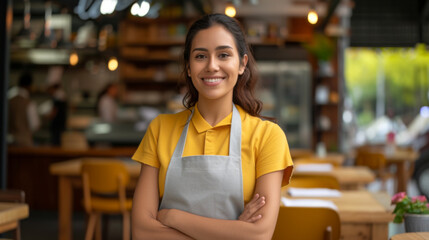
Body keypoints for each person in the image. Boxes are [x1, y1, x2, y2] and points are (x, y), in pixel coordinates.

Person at [131, 14, 293, 240]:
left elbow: (258, 235)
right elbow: (141, 231)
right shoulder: (160, 129)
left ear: (242, 64)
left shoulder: (267, 136)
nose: (212, 66)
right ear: (188, 67)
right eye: (200, 56)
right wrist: (233, 231)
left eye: (224, 55)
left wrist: (172, 217)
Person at [8, 72, 40, 147]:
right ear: (30, 86)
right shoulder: (29, 103)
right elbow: (35, 125)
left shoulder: (9, 100)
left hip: (8, 143)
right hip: (25, 143)